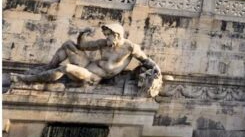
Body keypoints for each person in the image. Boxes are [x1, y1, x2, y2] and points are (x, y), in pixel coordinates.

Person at [11, 23, 161, 90]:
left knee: (66, 68)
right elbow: (82, 46)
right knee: (69, 44)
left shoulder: (130, 48)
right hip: (88, 64)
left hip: (93, 76)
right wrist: (82, 34)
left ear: (117, 35)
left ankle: (25, 79)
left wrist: (157, 70)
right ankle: (48, 68)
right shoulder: (104, 43)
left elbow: (146, 60)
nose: (106, 37)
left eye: (108, 35)